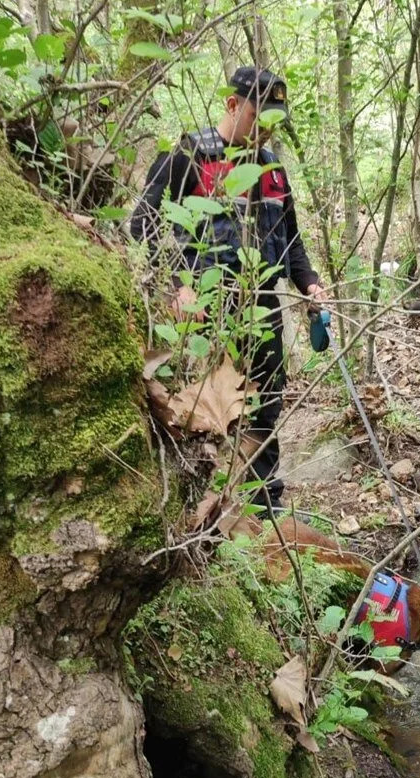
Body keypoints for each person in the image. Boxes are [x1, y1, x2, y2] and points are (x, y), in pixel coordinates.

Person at [129, 66, 328, 509]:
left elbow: (292, 240)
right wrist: (179, 286)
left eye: (275, 119)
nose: (266, 129)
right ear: (233, 105)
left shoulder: (273, 169)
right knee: (204, 414)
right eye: (260, 116)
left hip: (262, 306)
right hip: (205, 310)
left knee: (265, 405)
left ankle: (262, 505)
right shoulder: (188, 155)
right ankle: (202, 506)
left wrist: (310, 284)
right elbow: (142, 224)